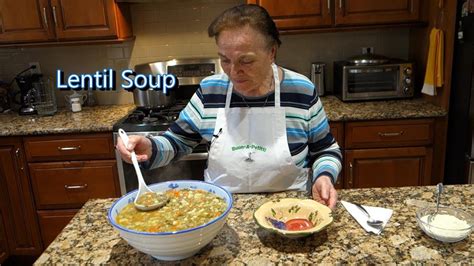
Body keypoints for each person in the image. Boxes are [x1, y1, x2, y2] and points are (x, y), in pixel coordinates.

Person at [116, 4, 342, 209]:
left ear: (272, 52)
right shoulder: (210, 90)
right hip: (221, 210)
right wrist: (150, 148)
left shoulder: (300, 90)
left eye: (246, 61)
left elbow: (326, 150)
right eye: (224, 60)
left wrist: (324, 176)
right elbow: (178, 142)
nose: (233, 72)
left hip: (291, 211)